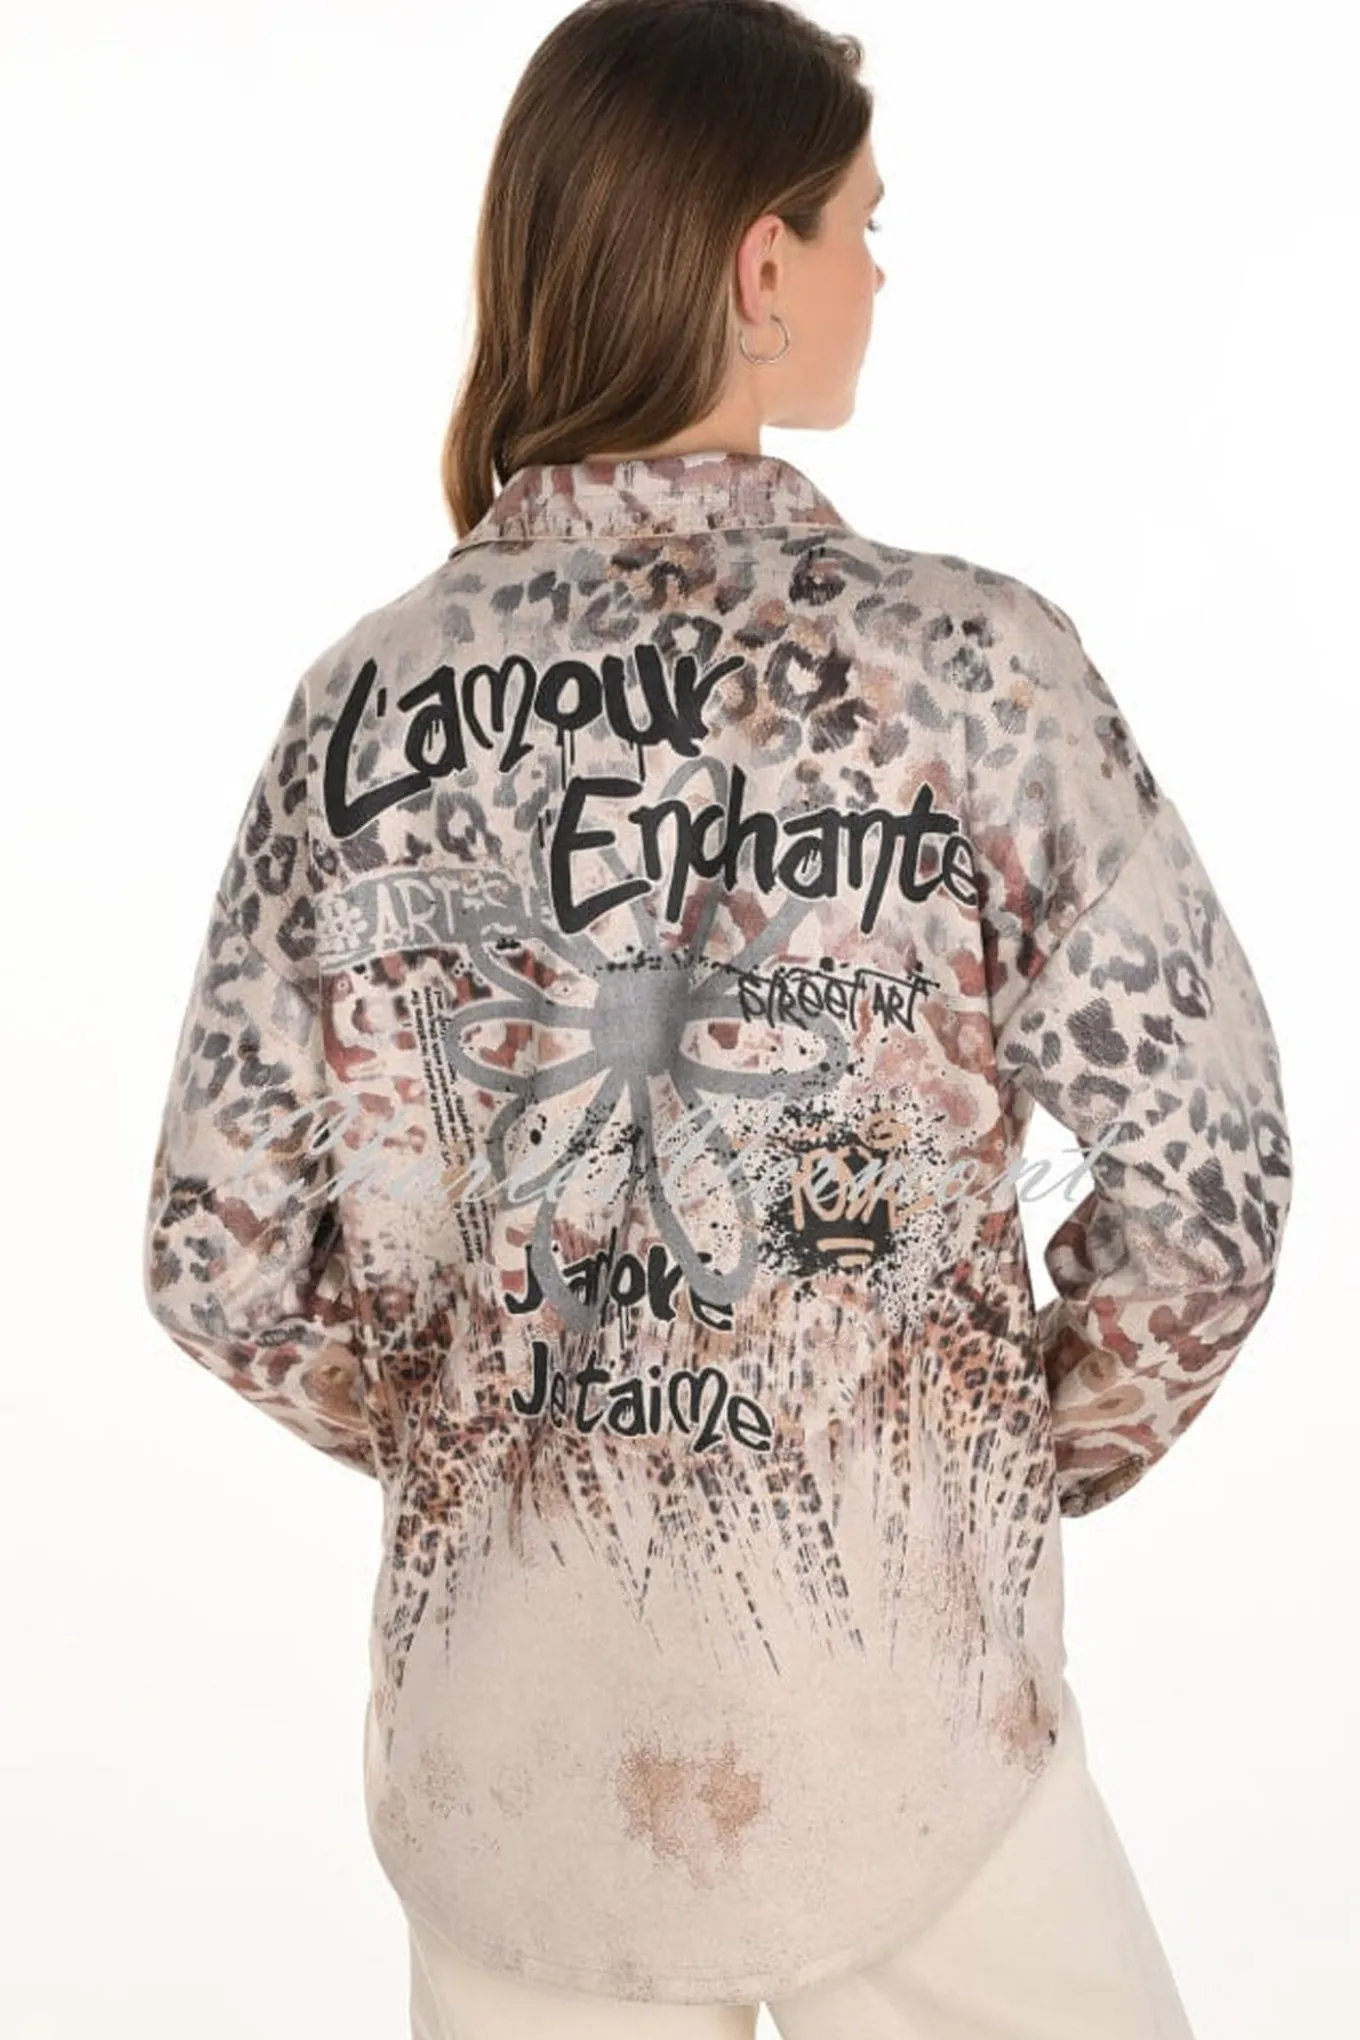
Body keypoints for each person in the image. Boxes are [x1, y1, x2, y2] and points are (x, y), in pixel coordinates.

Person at [141, 2, 1293, 2036]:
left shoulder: (364, 710)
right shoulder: (968, 673)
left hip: (517, 1764)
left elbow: (212, 1258)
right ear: (761, 265)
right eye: (860, 223)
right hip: (907, 1739)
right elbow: (1203, 1190)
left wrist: (498, 1426)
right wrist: (972, 1466)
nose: (879, 272)